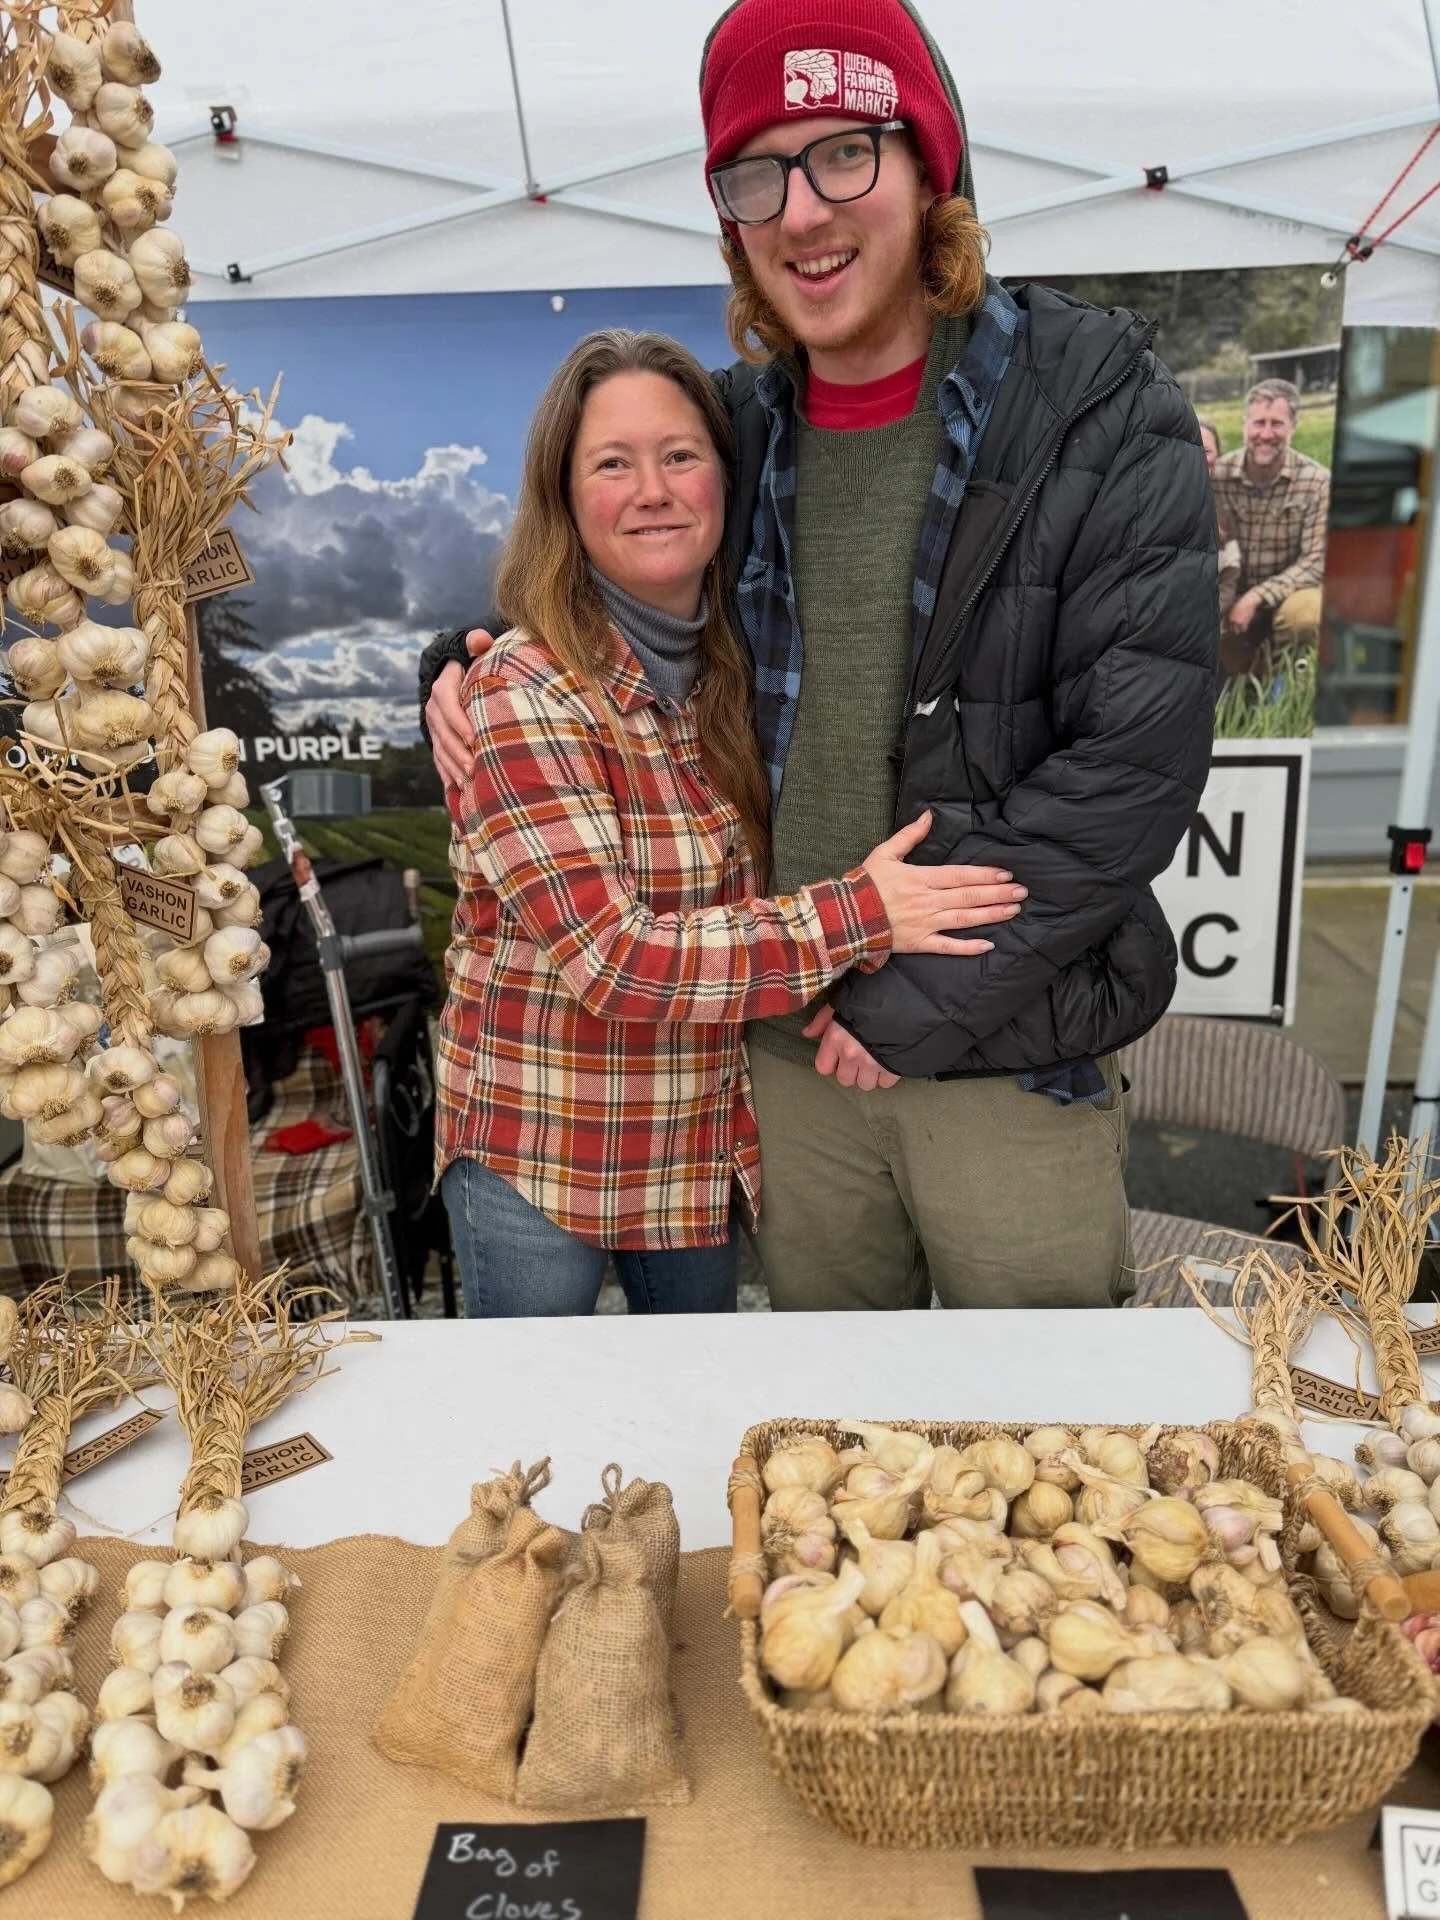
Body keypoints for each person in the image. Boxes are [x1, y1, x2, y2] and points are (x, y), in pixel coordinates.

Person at [422, 0, 1218, 1312]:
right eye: (757, 174)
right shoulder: (736, 431)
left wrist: (904, 1006)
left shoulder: (1098, 413)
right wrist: (449, 674)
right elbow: (590, 574)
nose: (802, 210)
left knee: (1042, 1453)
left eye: (844, 152)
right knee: (824, 1460)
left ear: (928, 170)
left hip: (1001, 1069)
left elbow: (1131, 768)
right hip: (785, 1082)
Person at [436, 327, 1022, 1317]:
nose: (652, 489)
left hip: (689, 1155)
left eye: (680, 456)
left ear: (725, 479)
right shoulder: (523, 691)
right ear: (566, 497)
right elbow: (615, 960)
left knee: (693, 1427)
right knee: (524, 1432)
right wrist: (866, 915)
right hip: (541, 1148)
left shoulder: (743, 668)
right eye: (612, 464)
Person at [1212, 378, 1330, 680]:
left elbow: (1316, 562)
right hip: (1230, 600)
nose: (1265, 434)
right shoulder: (1218, 476)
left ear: (1293, 426)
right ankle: (1244, 682)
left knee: (1304, 615)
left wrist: (1256, 598)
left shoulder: (1317, 481)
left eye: (1276, 424)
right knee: (1230, 680)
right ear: (1244, 425)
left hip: (1286, 597)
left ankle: (1283, 686)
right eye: (1258, 423)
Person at [1197, 417, 1241, 623]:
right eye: (1188, 446)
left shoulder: (1221, 513)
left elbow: (1229, 575)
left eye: (1206, 451)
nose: (1197, 457)